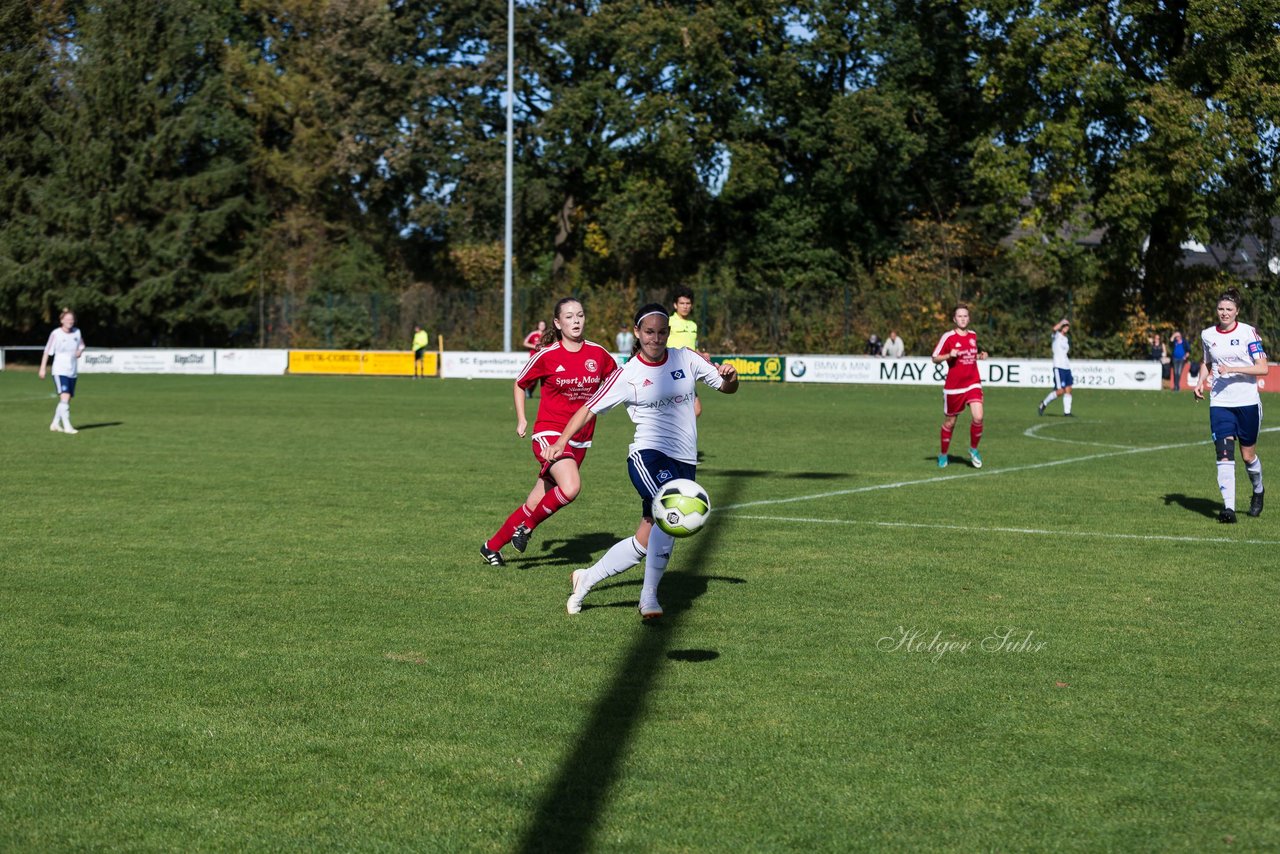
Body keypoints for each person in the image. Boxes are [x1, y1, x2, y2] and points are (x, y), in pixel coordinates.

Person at [545, 303, 739, 619]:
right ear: (638, 333)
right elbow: (588, 408)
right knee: (670, 511)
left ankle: (587, 578)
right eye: (649, 332)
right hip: (646, 455)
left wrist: (731, 376)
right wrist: (561, 441)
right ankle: (648, 598)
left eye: (662, 332)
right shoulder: (628, 374)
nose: (656, 338)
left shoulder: (685, 358)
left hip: (685, 460)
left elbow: (726, 387)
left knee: (646, 537)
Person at [481, 299, 618, 566]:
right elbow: (520, 384)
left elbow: (619, 380)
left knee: (535, 501)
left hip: (580, 439)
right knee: (571, 486)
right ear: (558, 323)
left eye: (580, 315)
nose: (576, 320)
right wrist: (522, 419)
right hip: (549, 434)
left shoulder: (599, 354)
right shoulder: (547, 355)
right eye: (569, 316)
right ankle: (528, 528)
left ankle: (491, 547)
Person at [1193, 287, 1267, 523]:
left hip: (1246, 402)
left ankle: (1258, 490)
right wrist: (1200, 382)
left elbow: (1262, 368)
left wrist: (1233, 368)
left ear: (1237, 311)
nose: (1224, 313)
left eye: (1229, 309)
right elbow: (1207, 362)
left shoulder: (1249, 333)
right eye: (1221, 309)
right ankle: (1229, 509)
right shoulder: (1207, 334)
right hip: (1220, 402)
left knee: (1247, 457)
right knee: (1224, 453)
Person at [931, 303, 988, 468]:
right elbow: (934, 358)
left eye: (965, 316)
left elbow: (969, 356)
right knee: (950, 422)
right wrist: (949, 354)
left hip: (973, 383)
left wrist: (980, 356)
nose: (963, 319)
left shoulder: (973, 335)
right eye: (959, 316)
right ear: (954, 319)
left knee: (978, 416)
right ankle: (943, 454)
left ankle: (973, 449)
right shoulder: (948, 337)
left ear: (968, 318)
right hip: (954, 387)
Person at [38, 307, 86, 434]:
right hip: (60, 370)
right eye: (67, 319)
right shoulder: (56, 334)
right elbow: (47, 351)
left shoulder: (77, 332)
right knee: (65, 396)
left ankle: (55, 423)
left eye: (72, 319)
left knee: (66, 399)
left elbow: (81, 345)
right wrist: (42, 368)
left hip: (73, 370)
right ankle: (67, 426)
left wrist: (79, 351)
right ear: (62, 320)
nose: (70, 321)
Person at [668, 287, 703, 417]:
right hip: (673, 370)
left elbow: (693, 347)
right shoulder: (668, 322)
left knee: (696, 410)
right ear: (675, 305)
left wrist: (701, 355)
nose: (685, 306)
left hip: (689, 371)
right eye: (682, 303)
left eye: (688, 303)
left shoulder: (693, 325)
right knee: (683, 408)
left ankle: (677, 434)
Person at [1037, 318, 1074, 416]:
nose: (1066, 327)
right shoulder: (1056, 336)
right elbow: (1053, 329)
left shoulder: (1066, 339)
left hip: (1066, 366)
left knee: (1068, 388)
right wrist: (1062, 322)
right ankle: (1044, 403)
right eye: (1064, 326)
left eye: (1067, 326)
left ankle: (1067, 412)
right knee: (1060, 390)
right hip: (1058, 366)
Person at [522, 321, 547, 397]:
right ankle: (527, 389)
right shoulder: (533, 334)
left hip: (544, 357)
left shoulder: (547, 334)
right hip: (534, 358)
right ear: (538, 325)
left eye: (543, 325)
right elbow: (525, 343)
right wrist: (534, 346)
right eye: (540, 325)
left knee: (544, 376)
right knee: (534, 376)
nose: (542, 326)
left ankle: (530, 392)